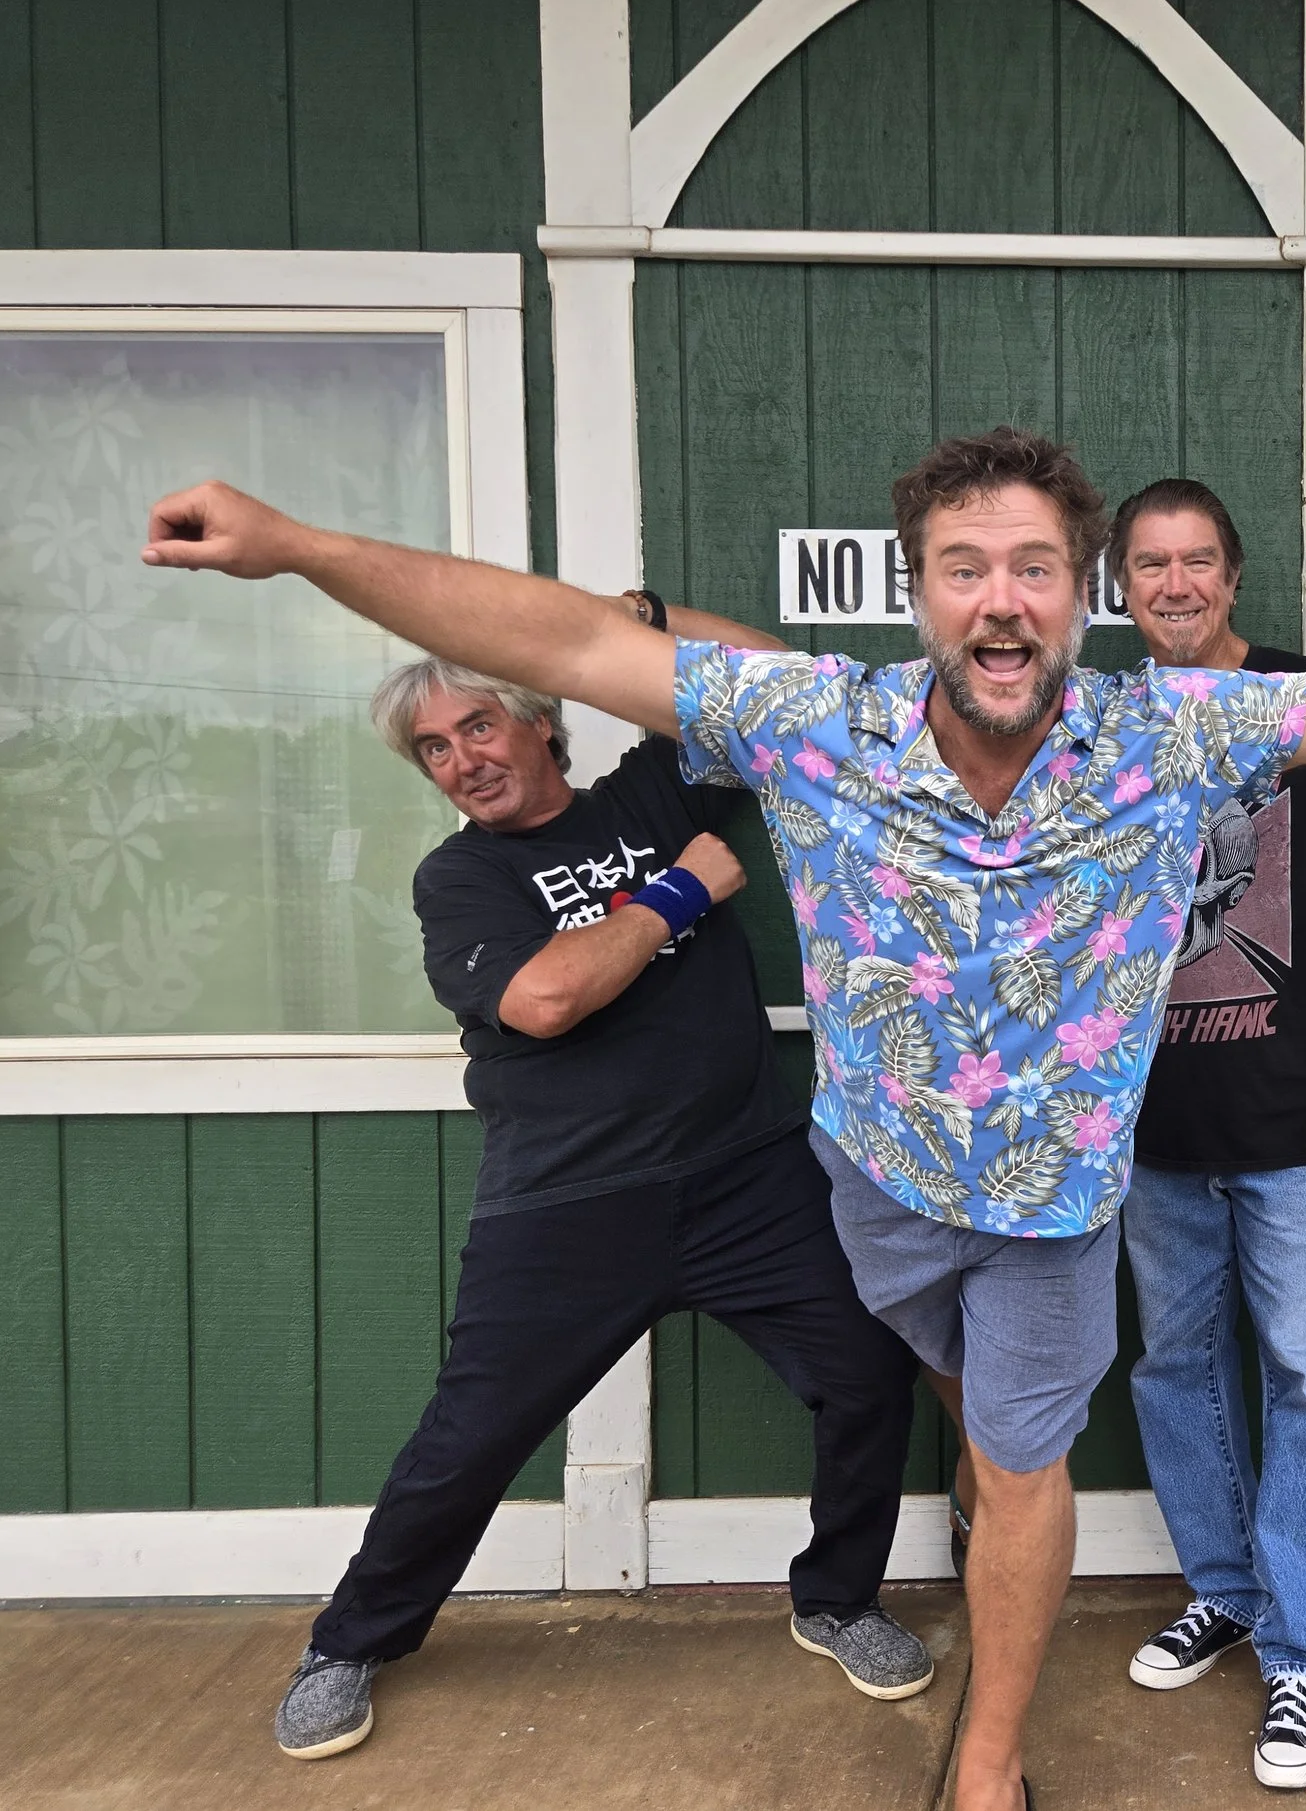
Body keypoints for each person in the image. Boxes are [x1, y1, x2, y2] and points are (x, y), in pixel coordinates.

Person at [141, 427, 1306, 1811]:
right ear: (921, 592)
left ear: (1081, 595)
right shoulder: (815, 722)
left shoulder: (1166, 733)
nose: (1002, 597)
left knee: (1019, 1456)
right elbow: (559, 642)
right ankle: (978, 1474)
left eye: (1036, 567)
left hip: (1054, 1210)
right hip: (879, 1187)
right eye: (966, 566)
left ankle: (987, 1763)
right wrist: (298, 547)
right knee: (958, 1396)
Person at [270, 608, 933, 1763]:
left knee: (870, 1373)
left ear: (540, 720)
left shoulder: (646, 797)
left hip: (746, 1177)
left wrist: (648, 623)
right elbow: (543, 1000)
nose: (463, 759)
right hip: (567, 1203)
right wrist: (679, 894)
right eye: (434, 748)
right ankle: (348, 1644)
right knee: (470, 1438)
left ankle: (837, 1601)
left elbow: (780, 683)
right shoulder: (460, 879)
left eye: (479, 725)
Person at [1107, 478, 1306, 1789]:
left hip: (1293, 1120)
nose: (1175, 583)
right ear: (1121, 585)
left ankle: (1303, 1651)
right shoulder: (1098, 722)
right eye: (1150, 563)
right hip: (1150, 1127)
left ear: (1232, 575)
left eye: (1197, 560)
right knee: (1175, 1368)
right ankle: (1224, 1589)